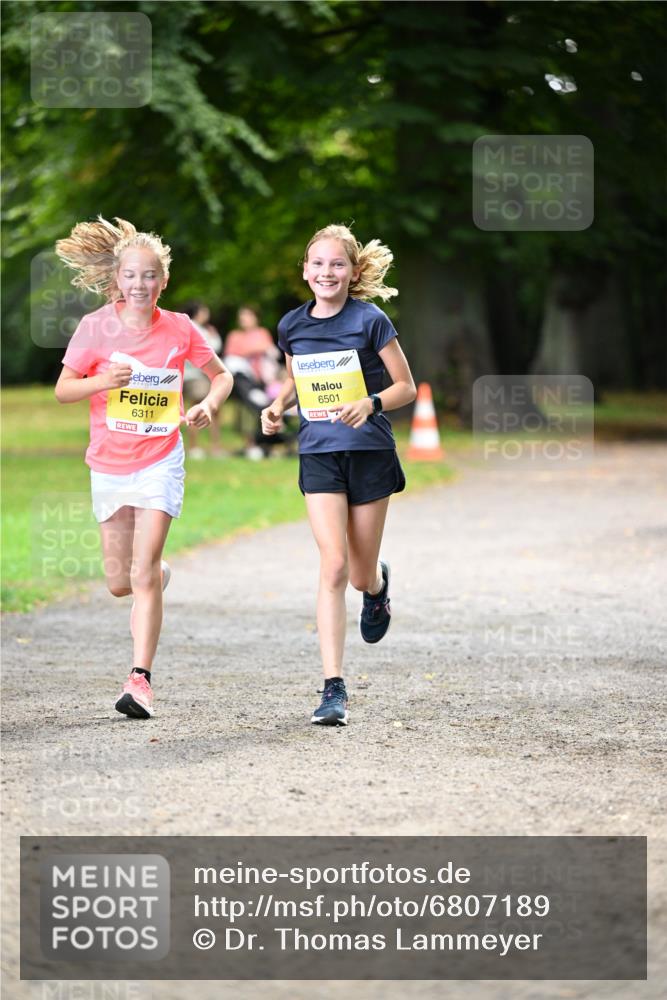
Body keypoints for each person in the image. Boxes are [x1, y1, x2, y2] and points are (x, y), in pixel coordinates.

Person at [54, 216, 233, 719]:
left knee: (143, 569)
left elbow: (220, 377)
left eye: (149, 275)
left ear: (164, 280)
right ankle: (153, 573)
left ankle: (140, 682)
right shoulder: (95, 327)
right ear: (117, 280)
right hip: (109, 465)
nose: (140, 285)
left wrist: (208, 405)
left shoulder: (179, 327)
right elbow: (64, 389)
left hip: (161, 459)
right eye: (131, 276)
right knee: (120, 580)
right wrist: (102, 382)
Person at [261, 223, 417, 726]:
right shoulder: (291, 325)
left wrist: (369, 403)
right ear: (305, 272)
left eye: (337, 264)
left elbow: (406, 387)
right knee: (332, 565)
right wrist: (277, 405)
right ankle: (333, 689)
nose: (327, 272)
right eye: (318, 264)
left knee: (358, 574)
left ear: (352, 271)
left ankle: (377, 589)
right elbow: (296, 377)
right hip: (320, 454)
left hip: (369, 453)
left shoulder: (371, 321)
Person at [224, 306, 295, 459]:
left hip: (264, 380)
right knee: (249, 410)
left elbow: (270, 351)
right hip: (244, 382)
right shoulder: (235, 335)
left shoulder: (262, 333)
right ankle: (251, 445)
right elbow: (230, 356)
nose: (244, 320)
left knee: (267, 406)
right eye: (242, 316)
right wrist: (255, 349)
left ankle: (268, 443)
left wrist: (253, 350)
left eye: (247, 316)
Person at [182, 301, 224, 459]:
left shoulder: (203, 329)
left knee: (209, 410)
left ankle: (212, 446)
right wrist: (213, 336)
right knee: (197, 410)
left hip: (203, 376)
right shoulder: (192, 327)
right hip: (194, 377)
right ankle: (195, 447)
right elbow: (211, 349)